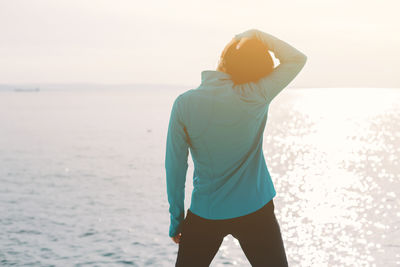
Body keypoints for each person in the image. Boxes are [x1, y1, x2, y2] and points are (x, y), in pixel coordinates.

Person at [165, 28, 307, 266]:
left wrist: (176, 219)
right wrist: (257, 34)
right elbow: (296, 59)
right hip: (256, 210)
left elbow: (175, 168)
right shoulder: (256, 94)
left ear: (223, 59)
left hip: (206, 212)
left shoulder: (184, 104)